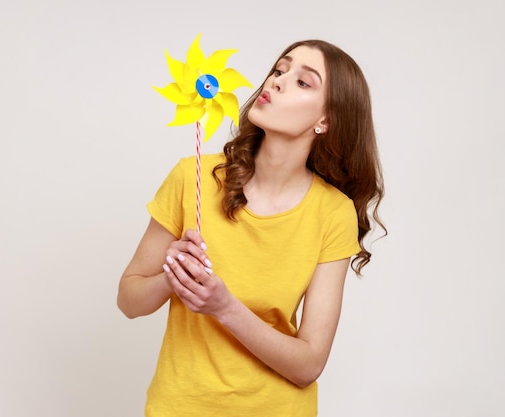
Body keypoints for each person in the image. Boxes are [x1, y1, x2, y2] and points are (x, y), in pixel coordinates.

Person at [117, 39, 386, 417]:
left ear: (326, 120)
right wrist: (172, 277)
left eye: (302, 82)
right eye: (278, 70)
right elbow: (128, 301)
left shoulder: (332, 213)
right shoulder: (191, 177)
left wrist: (224, 307)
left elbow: (309, 364)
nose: (276, 82)